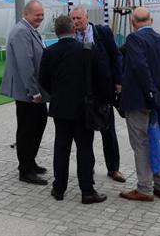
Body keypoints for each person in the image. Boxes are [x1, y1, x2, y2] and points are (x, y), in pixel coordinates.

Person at [40, 15, 110, 204]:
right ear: (74, 29)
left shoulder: (49, 52)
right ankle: (87, 191)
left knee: (61, 148)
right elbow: (102, 77)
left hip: (60, 108)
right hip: (84, 108)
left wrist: (57, 93)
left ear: (56, 31)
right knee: (85, 149)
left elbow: (43, 80)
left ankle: (59, 188)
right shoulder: (87, 49)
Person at [119, 7, 160, 202]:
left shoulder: (134, 39)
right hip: (157, 103)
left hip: (139, 101)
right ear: (151, 20)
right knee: (158, 140)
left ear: (132, 23)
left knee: (141, 144)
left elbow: (140, 67)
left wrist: (152, 93)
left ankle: (144, 188)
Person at [70, 6, 126, 183]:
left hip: (103, 90)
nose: (76, 22)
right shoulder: (70, 36)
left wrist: (118, 81)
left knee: (108, 131)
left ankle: (113, 168)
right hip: (82, 92)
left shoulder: (101, 32)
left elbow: (116, 55)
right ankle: (88, 166)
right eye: (73, 19)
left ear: (87, 17)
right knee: (84, 133)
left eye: (79, 18)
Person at [0, 0, 48, 185]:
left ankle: (30, 162)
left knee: (38, 124)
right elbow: (25, 64)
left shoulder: (30, 30)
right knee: (28, 129)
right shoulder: (21, 32)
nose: (40, 18)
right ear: (26, 14)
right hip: (27, 93)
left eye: (42, 14)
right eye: (37, 15)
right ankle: (25, 169)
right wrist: (34, 92)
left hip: (33, 91)